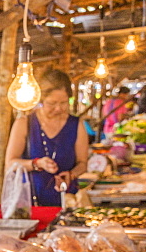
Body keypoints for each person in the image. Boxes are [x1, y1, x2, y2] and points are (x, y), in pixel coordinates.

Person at [5, 68, 89, 208]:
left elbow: (82, 163)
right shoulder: (24, 123)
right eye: (52, 103)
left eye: (63, 103)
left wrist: (71, 174)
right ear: (41, 99)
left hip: (67, 201)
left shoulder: (77, 125)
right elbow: (10, 164)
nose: (58, 109)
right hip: (30, 202)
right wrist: (37, 164)